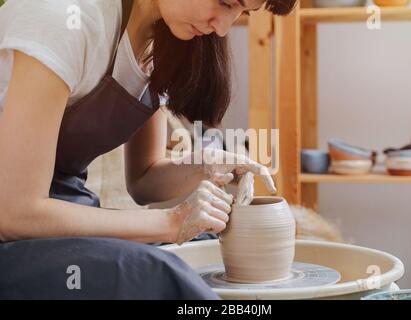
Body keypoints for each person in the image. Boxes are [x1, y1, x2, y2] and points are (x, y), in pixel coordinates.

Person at [0, 0, 297, 299]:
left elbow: (143, 180)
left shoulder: (162, 43)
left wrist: (207, 166)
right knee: (158, 274)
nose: (222, 28)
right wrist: (172, 222)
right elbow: (15, 213)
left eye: (242, 12)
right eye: (225, 2)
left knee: (204, 251)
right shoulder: (64, 18)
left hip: (59, 213)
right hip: (14, 229)